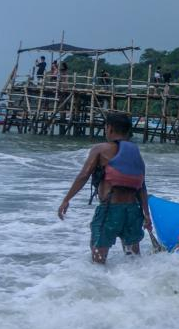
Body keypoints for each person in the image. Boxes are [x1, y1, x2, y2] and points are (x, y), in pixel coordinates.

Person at [57, 112, 153, 264]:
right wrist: (146, 215)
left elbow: (84, 175)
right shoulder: (135, 153)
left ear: (110, 128)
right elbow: (141, 186)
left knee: (98, 258)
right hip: (132, 211)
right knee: (134, 259)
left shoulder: (100, 149)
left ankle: (99, 279)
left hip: (110, 210)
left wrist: (66, 199)